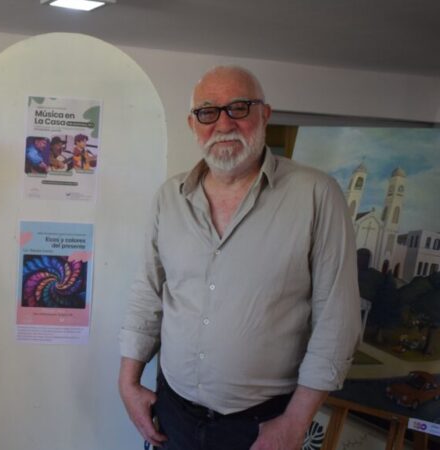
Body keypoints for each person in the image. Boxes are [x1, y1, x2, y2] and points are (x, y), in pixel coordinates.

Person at [118, 66, 360, 450]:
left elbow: (337, 318)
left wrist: (296, 421)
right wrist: (128, 383)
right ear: (193, 123)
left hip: (262, 426)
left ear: (264, 114)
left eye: (239, 108)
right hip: (172, 413)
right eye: (208, 111)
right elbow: (148, 292)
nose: (224, 123)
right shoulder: (169, 197)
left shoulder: (316, 195)